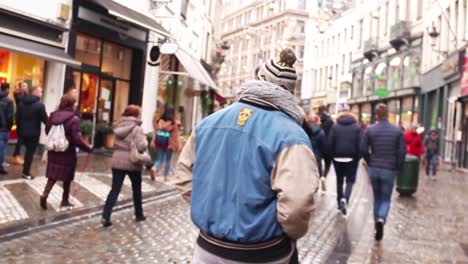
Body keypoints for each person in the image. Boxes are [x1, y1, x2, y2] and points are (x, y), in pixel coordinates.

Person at [175, 52, 318, 263]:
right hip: (261, 252)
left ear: (258, 79)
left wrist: (210, 210)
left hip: (207, 248)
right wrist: (287, 232)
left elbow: (184, 176)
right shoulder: (292, 135)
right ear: (289, 92)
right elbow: (297, 203)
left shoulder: (209, 123)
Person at [361, 104, 406, 241]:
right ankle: (381, 218)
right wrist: (396, 166)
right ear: (388, 115)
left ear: (376, 115)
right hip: (389, 169)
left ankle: (377, 224)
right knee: (385, 198)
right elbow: (401, 151)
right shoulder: (397, 131)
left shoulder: (370, 130)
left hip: (374, 168)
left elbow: (363, 149)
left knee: (377, 198)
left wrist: (370, 161)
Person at [40, 95, 92, 209]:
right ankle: (64, 200)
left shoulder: (53, 115)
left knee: (53, 174)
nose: (76, 104)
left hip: (54, 149)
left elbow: (47, 130)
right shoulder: (74, 118)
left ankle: (45, 194)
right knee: (67, 175)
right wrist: (88, 147)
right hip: (67, 150)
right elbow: (76, 138)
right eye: (75, 103)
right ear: (71, 104)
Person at [102, 105, 148, 227]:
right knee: (136, 190)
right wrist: (144, 142)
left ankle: (105, 216)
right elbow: (142, 146)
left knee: (115, 189)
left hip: (117, 160)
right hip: (133, 161)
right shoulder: (137, 128)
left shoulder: (119, 125)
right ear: (136, 115)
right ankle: (139, 214)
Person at [328, 103, 361, 215]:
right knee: (350, 180)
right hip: (351, 158)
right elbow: (360, 144)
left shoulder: (335, 126)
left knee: (339, 180)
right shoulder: (356, 127)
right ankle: (345, 199)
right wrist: (357, 157)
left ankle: (339, 203)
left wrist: (332, 156)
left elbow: (330, 143)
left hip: (337, 157)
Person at [16, 86, 48, 180]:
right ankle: (25, 172)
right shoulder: (40, 105)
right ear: (34, 92)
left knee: (26, 152)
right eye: (40, 91)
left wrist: (19, 130)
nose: (41, 93)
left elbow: (17, 118)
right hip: (33, 134)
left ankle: (25, 171)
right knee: (29, 153)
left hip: (22, 132)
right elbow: (45, 119)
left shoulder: (22, 103)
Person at [150, 107, 181, 181]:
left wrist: (153, 141)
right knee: (168, 160)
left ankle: (154, 168)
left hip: (160, 143)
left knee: (160, 159)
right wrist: (178, 146)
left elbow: (155, 132)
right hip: (170, 144)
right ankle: (166, 177)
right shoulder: (174, 123)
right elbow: (175, 136)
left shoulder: (159, 122)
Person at [316, 104, 334, 190]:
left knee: (318, 162)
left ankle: (318, 177)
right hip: (328, 145)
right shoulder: (330, 120)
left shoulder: (318, 119)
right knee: (328, 163)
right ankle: (324, 176)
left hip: (319, 144)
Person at [11, 81, 28, 165]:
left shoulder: (25, 95)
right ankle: (15, 156)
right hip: (20, 119)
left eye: (26, 86)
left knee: (21, 139)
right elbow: (23, 101)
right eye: (24, 86)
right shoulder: (18, 94)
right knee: (20, 138)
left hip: (24, 119)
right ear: (20, 87)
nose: (26, 87)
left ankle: (16, 155)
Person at [307, 113, 327, 181]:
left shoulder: (304, 130)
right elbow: (323, 147)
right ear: (317, 121)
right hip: (317, 157)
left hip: (306, 156)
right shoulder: (320, 132)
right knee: (316, 178)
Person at [0, 82, 14, 175]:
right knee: (1, 149)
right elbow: (10, 117)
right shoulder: (9, 101)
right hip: (3, 129)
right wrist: (9, 127)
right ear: (7, 89)